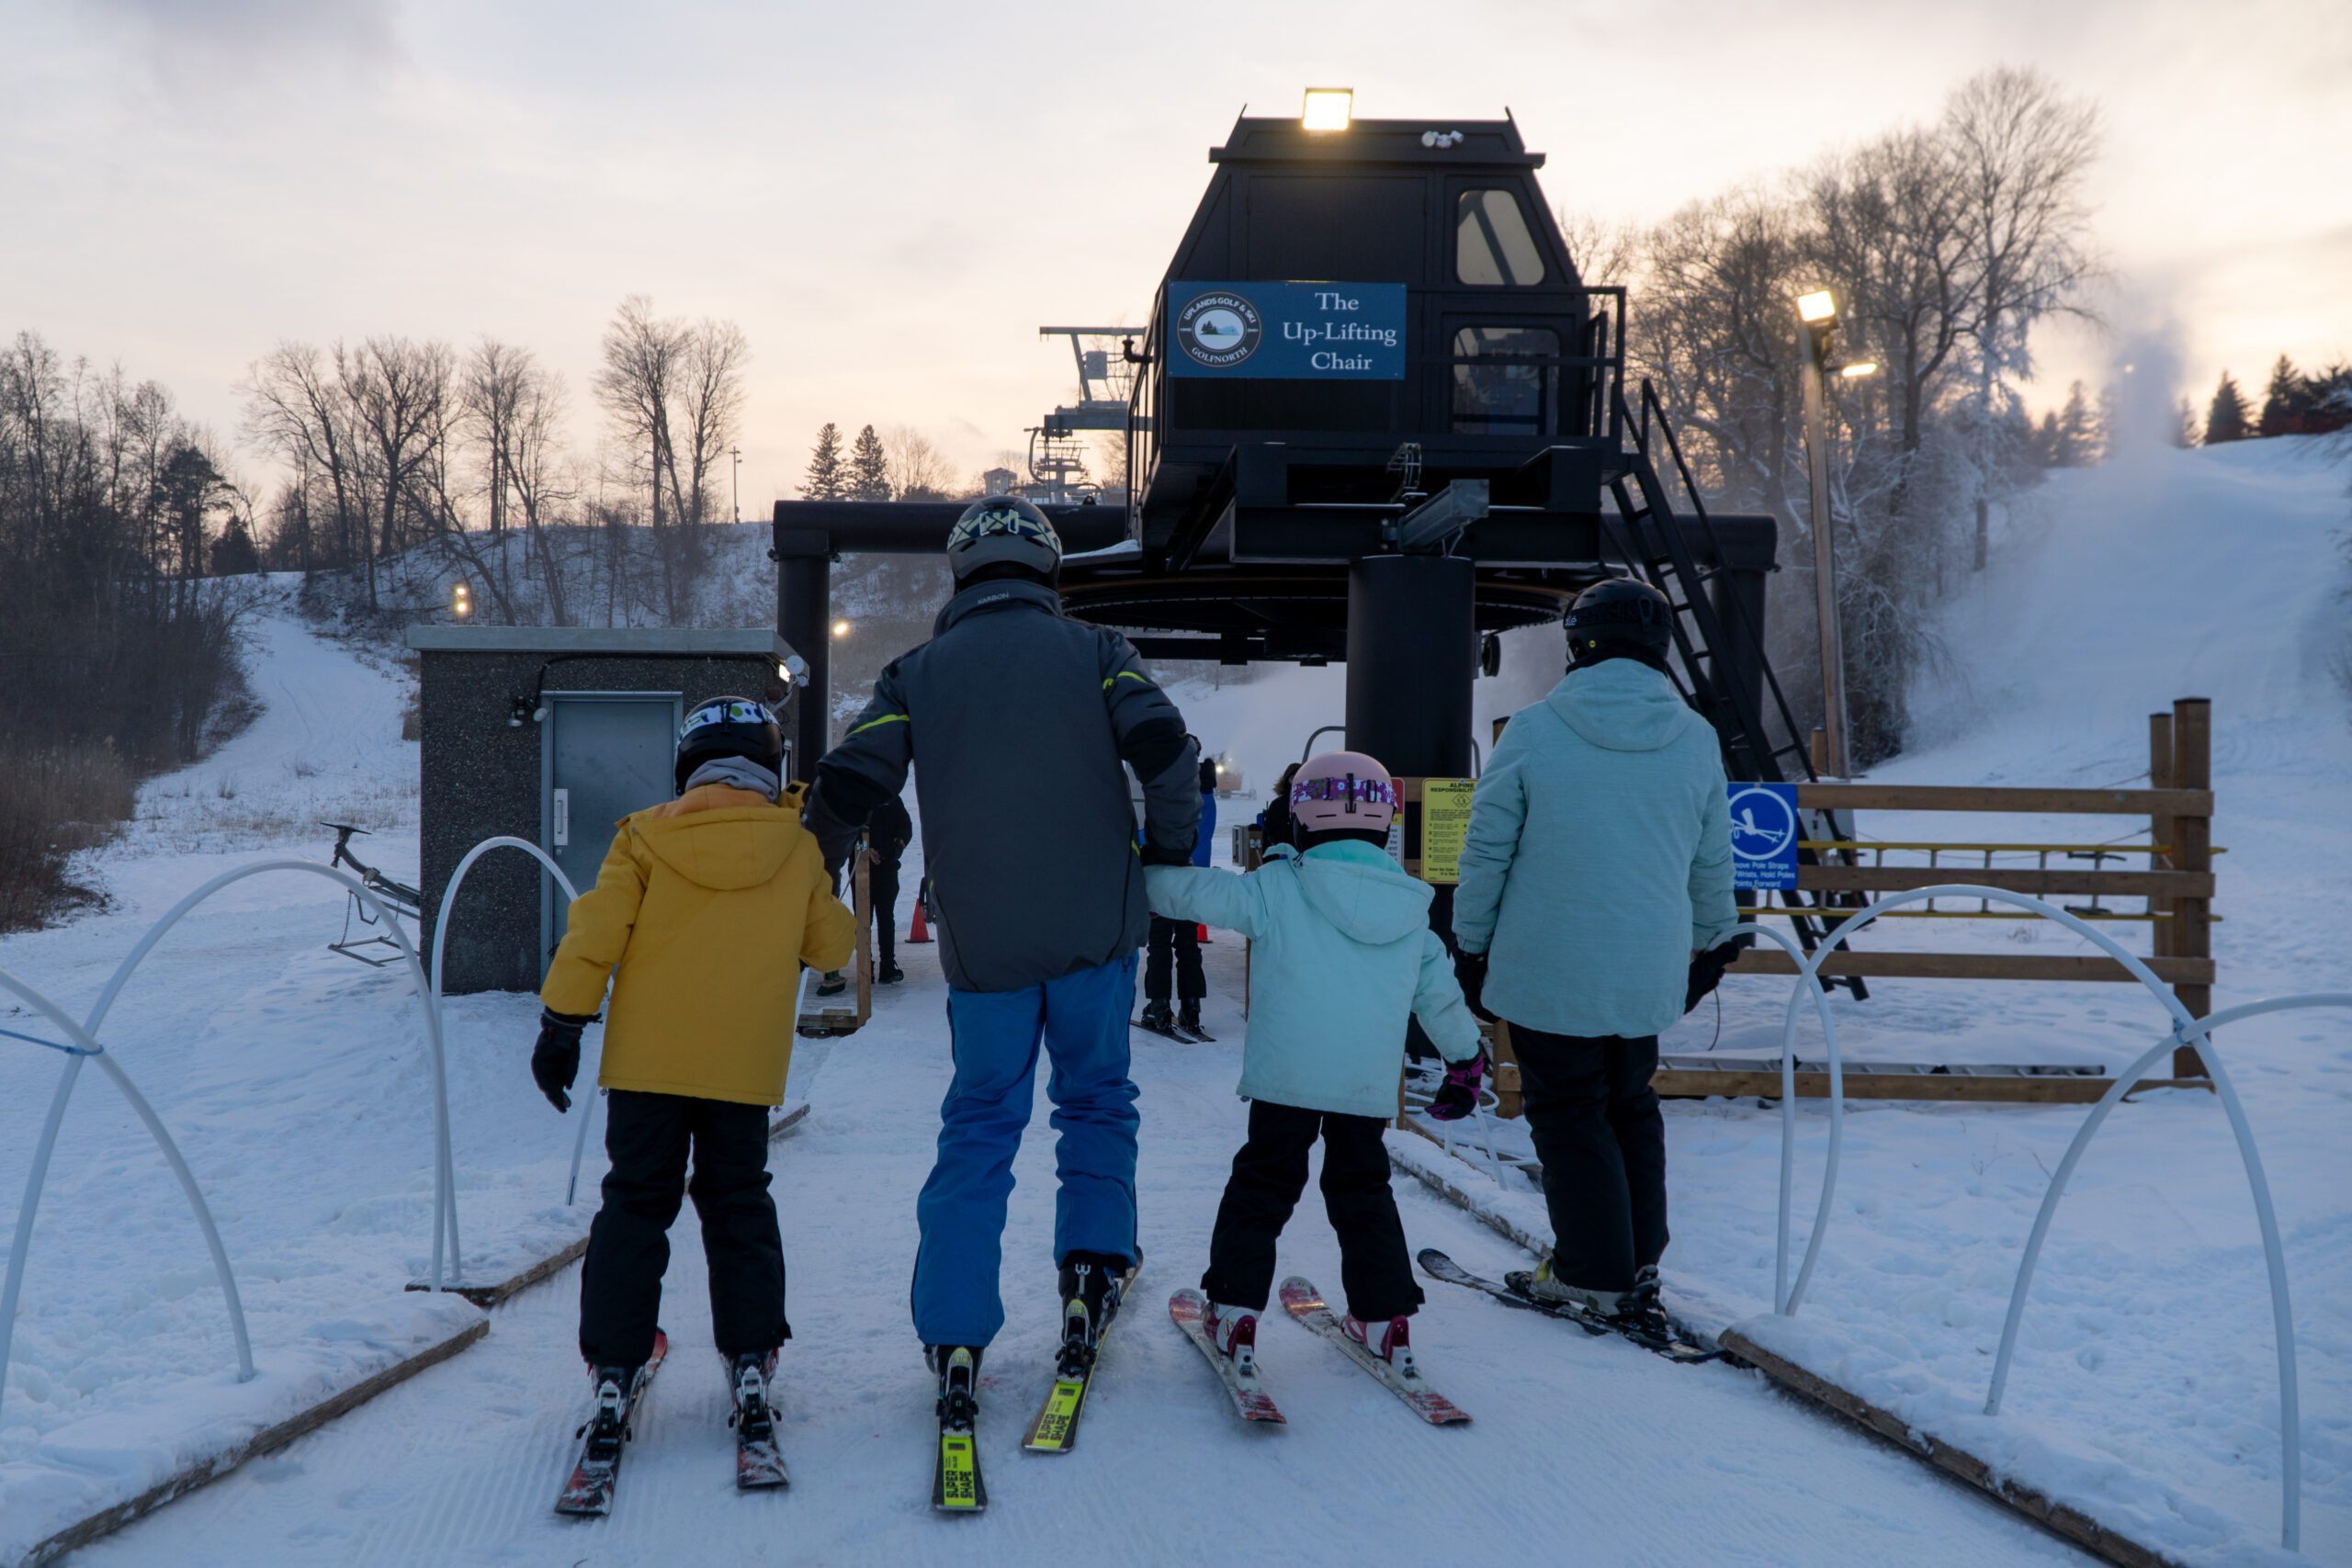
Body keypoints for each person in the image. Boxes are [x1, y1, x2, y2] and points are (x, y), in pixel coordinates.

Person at [800, 495, 1200, 1404]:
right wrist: (1168, 862)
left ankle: (953, 1329)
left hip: (983, 942)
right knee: (1095, 1102)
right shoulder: (1101, 655)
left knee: (979, 1123)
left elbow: (850, 779)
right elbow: (1166, 752)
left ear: (962, 573)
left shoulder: (916, 672)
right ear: (1048, 572)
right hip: (1096, 926)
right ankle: (1093, 1273)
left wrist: (804, 882)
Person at [530, 696, 857, 1451]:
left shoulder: (644, 837)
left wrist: (562, 1024)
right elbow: (832, 949)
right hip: (742, 1071)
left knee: (636, 1204)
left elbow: (596, 932)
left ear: (689, 764)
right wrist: (826, 868)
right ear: (770, 766)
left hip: (648, 1069)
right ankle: (749, 1354)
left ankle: (616, 1362)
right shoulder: (797, 848)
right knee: (738, 1202)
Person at [1450, 578, 1736, 1326]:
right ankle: (1638, 1261)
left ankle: (1592, 1271)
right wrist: (1713, 943)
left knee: (1570, 1110)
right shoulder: (1695, 736)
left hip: (1550, 963)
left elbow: (1487, 852)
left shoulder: (1537, 731)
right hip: (1647, 967)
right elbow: (1712, 858)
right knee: (1630, 1106)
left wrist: (1470, 945)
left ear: (1579, 643)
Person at [1144, 750, 1483, 1372]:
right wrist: (1464, 1061)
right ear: (1385, 826)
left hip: (1287, 1080)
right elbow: (1440, 996)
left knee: (1262, 1187)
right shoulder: (1411, 908)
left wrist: (1131, 872)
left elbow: (1196, 890)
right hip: (1364, 1084)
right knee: (1363, 1189)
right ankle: (1384, 1319)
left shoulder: (1278, 886)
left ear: (1297, 820)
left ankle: (1234, 1312)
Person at [1139, 742, 1218, 1041]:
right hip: (1191, 881)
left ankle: (1159, 1006)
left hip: (1162, 881)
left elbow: (1149, 836)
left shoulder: (1164, 789)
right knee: (1188, 946)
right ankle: (1192, 1006)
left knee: (1158, 945)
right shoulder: (1202, 796)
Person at [866, 790, 914, 985]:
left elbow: (905, 826)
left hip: (888, 866)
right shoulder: (858, 796)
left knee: (886, 917)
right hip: (862, 868)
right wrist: (864, 848)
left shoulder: (892, 798)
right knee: (863, 919)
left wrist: (900, 843)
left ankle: (887, 965)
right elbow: (848, 827)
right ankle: (865, 966)